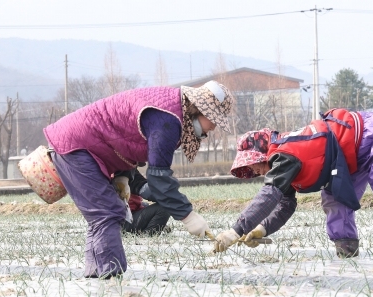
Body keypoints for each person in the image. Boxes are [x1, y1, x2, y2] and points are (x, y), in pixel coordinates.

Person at [44, 81, 233, 278]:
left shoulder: (172, 110)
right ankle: (111, 277)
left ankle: (96, 274)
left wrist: (123, 176)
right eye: (213, 120)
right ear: (199, 110)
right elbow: (158, 178)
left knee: (102, 216)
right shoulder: (168, 120)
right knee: (107, 213)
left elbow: (126, 136)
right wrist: (188, 216)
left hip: (79, 143)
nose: (213, 127)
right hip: (76, 145)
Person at [213, 108, 373, 258]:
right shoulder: (284, 167)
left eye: (253, 165)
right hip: (345, 158)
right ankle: (347, 254)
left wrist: (236, 230)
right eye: (249, 170)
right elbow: (285, 205)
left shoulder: (285, 155)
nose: (254, 171)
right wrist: (261, 229)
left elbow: (269, 195)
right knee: (335, 203)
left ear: (263, 152)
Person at [121, 170, 172, 235]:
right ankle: (147, 234)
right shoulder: (123, 171)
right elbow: (146, 190)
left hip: (116, 219)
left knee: (145, 205)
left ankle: (158, 226)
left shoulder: (114, 170)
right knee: (164, 208)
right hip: (122, 222)